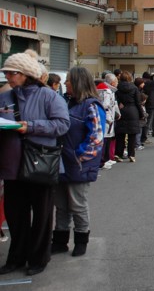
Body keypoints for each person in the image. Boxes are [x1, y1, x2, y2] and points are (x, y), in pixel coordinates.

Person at [0, 50, 70, 276]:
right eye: (7, 73)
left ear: (26, 74)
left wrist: (29, 126)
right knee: (15, 216)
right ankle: (16, 258)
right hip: (12, 166)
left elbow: (61, 125)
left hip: (41, 164)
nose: (8, 77)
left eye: (12, 73)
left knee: (42, 216)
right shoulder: (5, 97)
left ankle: (39, 258)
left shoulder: (49, 96)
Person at [51, 67, 105, 258]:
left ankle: (81, 241)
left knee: (77, 204)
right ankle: (60, 241)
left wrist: (77, 156)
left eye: (69, 81)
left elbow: (96, 138)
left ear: (78, 83)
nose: (65, 83)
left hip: (76, 163)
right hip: (63, 162)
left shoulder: (91, 105)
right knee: (61, 204)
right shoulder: (68, 103)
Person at [115, 71, 145, 162]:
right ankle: (131, 154)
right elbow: (138, 102)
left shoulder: (117, 88)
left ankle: (119, 154)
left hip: (121, 110)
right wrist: (141, 114)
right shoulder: (134, 88)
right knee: (132, 134)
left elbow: (116, 100)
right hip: (133, 111)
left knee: (120, 134)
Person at [97, 73, 121, 169]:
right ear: (112, 82)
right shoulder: (106, 91)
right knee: (105, 139)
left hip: (108, 116)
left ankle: (106, 158)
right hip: (107, 116)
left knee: (108, 138)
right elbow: (106, 104)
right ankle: (103, 160)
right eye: (116, 82)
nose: (117, 83)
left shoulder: (106, 90)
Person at [142, 71, 154, 139]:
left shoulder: (145, 84)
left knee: (147, 120)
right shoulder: (149, 83)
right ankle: (144, 137)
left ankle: (144, 136)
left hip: (147, 103)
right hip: (150, 104)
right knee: (148, 121)